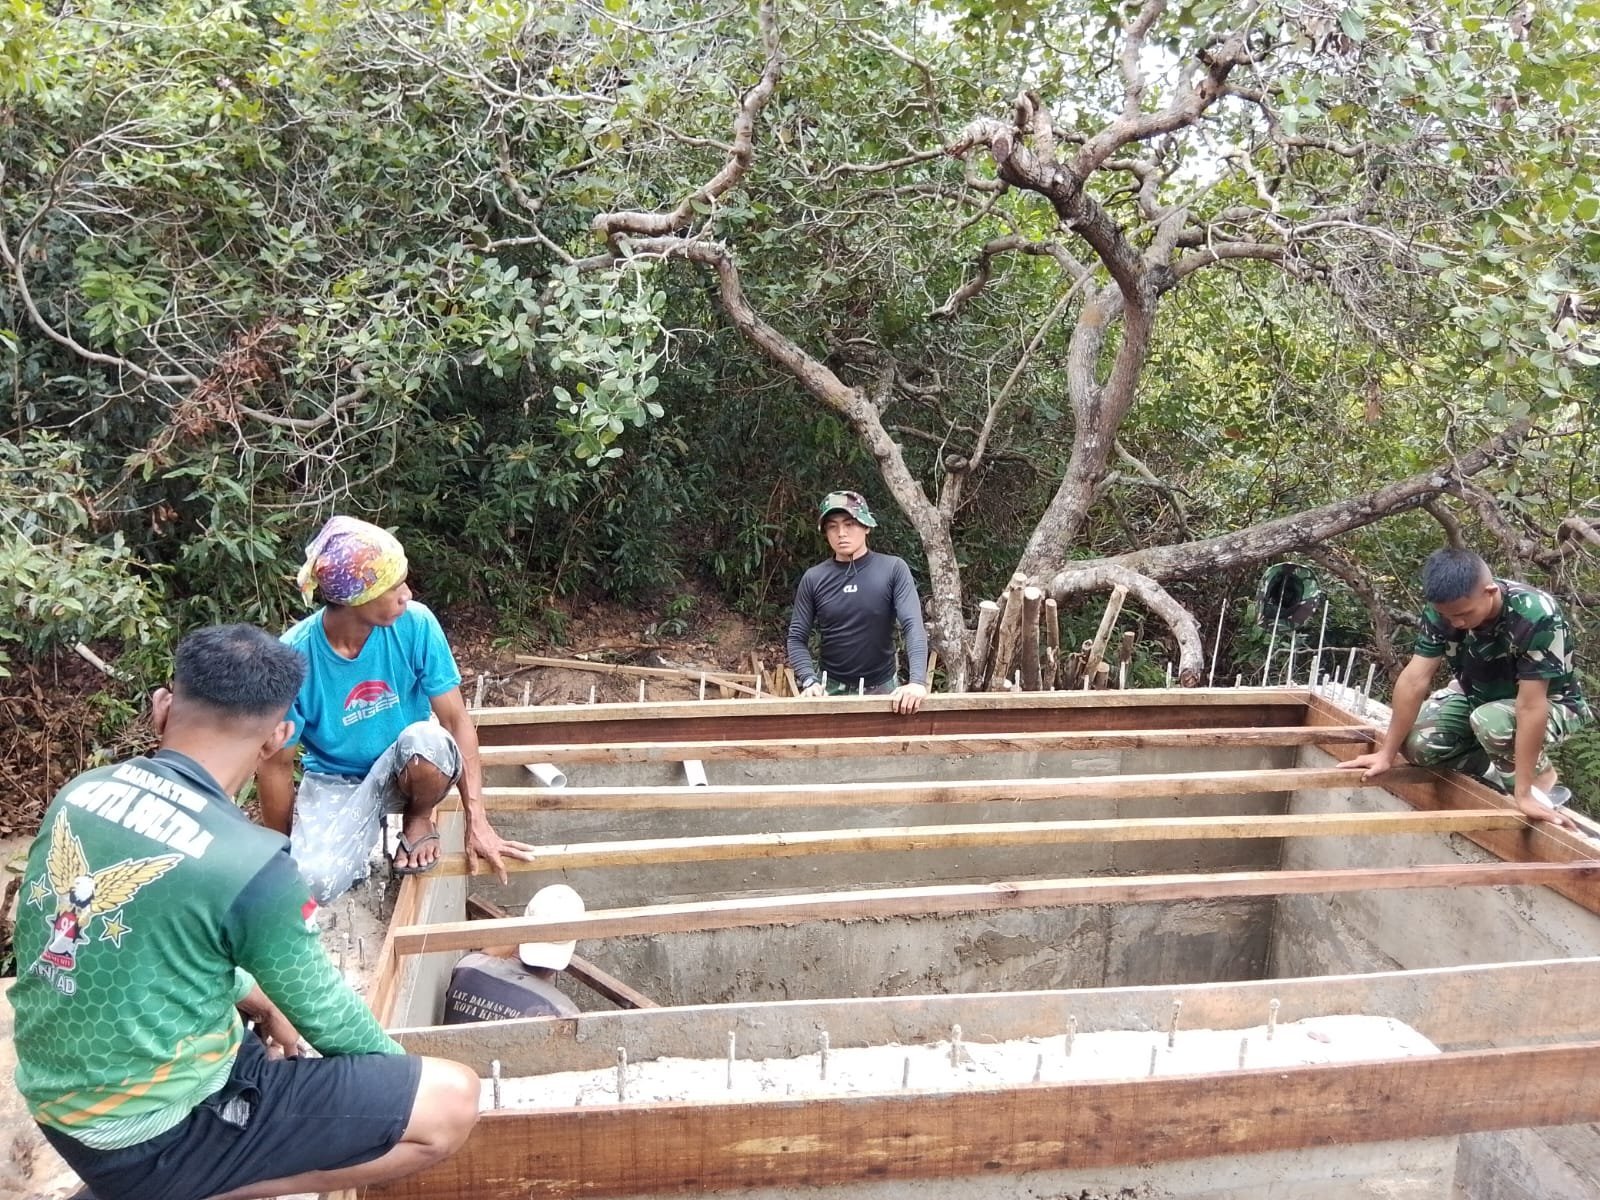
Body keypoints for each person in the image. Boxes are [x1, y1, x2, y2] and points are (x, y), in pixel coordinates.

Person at [8, 624, 480, 1200]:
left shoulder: (81, 793)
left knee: (258, 1021)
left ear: (162, 707)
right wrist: (392, 1082)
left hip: (60, 1106)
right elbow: (332, 1022)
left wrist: (260, 1000)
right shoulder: (251, 864)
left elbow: (152, 942)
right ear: (278, 737)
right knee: (450, 1101)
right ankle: (193, 1188)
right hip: (151, 1132)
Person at [256, 516, 535, 904]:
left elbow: (455, 721)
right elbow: (275, 765)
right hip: (338, 779)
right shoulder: (293, 657)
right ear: (354, 599)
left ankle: (418, 818)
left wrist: (478, 821)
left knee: (427, 741)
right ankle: (356, 843)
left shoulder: (416, 624)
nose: (406, 594)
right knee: (315, 881)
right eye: (392, 587)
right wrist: (281, 855)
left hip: (411, 764)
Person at [1340, 547, 1592, 826]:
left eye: (1463, 614)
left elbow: (1531, 705)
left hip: (1551, 703)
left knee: (1491, 722)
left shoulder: (1535, 615)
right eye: (1448, 616)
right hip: (1478, 698)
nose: (1456, 622)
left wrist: (1523, 793)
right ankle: (1493, 769)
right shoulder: (1444, 610)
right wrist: (1386, 754)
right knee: (1418, 747)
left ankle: (1540, 780)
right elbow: (1414, 679)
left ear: (1490, 592)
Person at [787, 490, 929, 714]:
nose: (841, 533)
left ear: (866, 526)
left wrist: (917, 682)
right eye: (832, 526)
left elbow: (913, 625)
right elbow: (796, 637)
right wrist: (809, 680)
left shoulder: (892, 569)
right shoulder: (814, 578)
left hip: (883, 690)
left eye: (850, 524)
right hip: (829, 691)